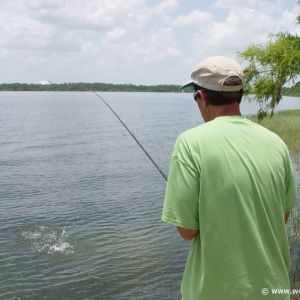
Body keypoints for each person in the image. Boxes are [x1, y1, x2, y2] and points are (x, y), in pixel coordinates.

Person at [162, 56, 296, 300]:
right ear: (239, 94)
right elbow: (282, 216)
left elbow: (187, 230)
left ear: (202, 97)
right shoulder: (276, 143)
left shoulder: (190, 143)